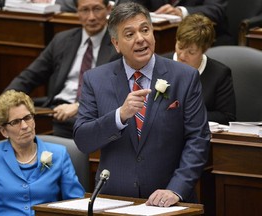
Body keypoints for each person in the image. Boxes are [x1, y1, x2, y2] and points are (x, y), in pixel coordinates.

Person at [74, 2, 210, 207]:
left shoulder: (184, 77)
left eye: (145, 30)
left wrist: (176, 189)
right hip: (114, 201)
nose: (140, 39)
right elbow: (83, 140)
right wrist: (119, 116)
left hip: (169, 202)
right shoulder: (96, 79)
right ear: (116, 43)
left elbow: (198, 139)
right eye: (129, 34)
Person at [5, 0, 119, 139]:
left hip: (91, 114)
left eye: (97, 9)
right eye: (84, 10)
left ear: (108, 9)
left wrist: (79, 106)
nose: (91, 17)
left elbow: (113, 91)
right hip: (55, 111)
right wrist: (5, 100)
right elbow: (30, 76)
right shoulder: (62, 40)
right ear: (77, 11)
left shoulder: (117, 45)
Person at [0, 90, 84, 216]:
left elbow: (76, 202)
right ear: (4, 131)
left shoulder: (59, 154)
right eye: (15, 122)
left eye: (27, 118)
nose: (25, 126)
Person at [163, 14, 236, 125]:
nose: (182, 56)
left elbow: (227, 116)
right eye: (180, 47)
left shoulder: (219, 74)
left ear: (204, 50)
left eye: (191, 52)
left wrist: (187, 114)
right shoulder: (160, 64)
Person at [117, 0, 234, 46]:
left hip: (207, 40)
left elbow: (217, 9)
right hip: (157, 39)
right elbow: (126, 3)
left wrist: (181, 12)